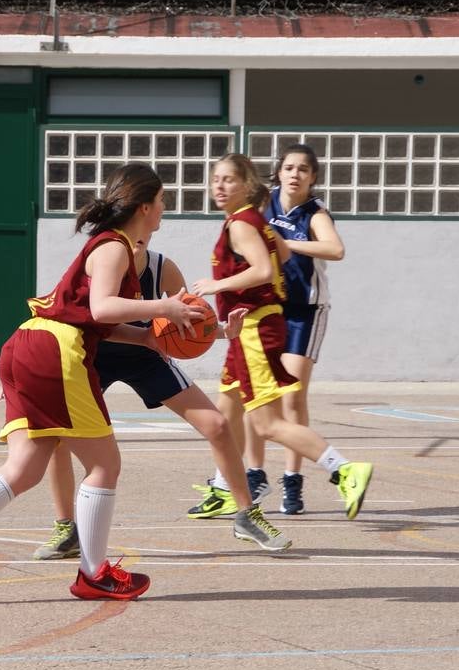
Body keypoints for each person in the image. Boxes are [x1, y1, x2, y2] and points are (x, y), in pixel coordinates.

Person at [0, 163, 202, 605]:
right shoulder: (115, 247)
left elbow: (94, 317)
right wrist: (166, 304)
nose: (165, 208)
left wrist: (146, 334)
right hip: (57, 352)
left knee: (25, 467)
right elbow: (104, 308)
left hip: (30, 343)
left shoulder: (109, 246)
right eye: (162, 200)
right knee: (104, 464)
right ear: (145, 206)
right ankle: (94, 574)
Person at [32, 239, 291, 561]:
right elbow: (65, 313)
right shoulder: (100, 259)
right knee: (59, 438)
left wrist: (224, 331)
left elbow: (190, 320)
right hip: (91, 355)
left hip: (147, 354)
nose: (137, 237)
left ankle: (246, 516)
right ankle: (66, 527)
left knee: (218, 425)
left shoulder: (162, 268)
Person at [187, 153, 371, 522]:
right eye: (215, 179)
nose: (219, 187)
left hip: (256, 328)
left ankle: (344, 469)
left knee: (267, 423)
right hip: (249, 325)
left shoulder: (242, 224)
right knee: (227, 413)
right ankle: (225, 487)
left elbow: (261, 269)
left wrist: (216, 285)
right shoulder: (258, 219)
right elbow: (283, 252)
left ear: (245, 185)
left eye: (228, 180)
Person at [240, 143, 346, 514]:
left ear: (312, 177)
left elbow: (335, 250)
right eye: (289, 167)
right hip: (268, 306)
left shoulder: (314, 213)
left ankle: (292, 480)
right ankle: (254, 474)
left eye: (303, 169)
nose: (295, 174)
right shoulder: (261, 205)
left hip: (305, 310)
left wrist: (287, 244)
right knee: (256, 394)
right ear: (279, 172)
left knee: (292, 396)